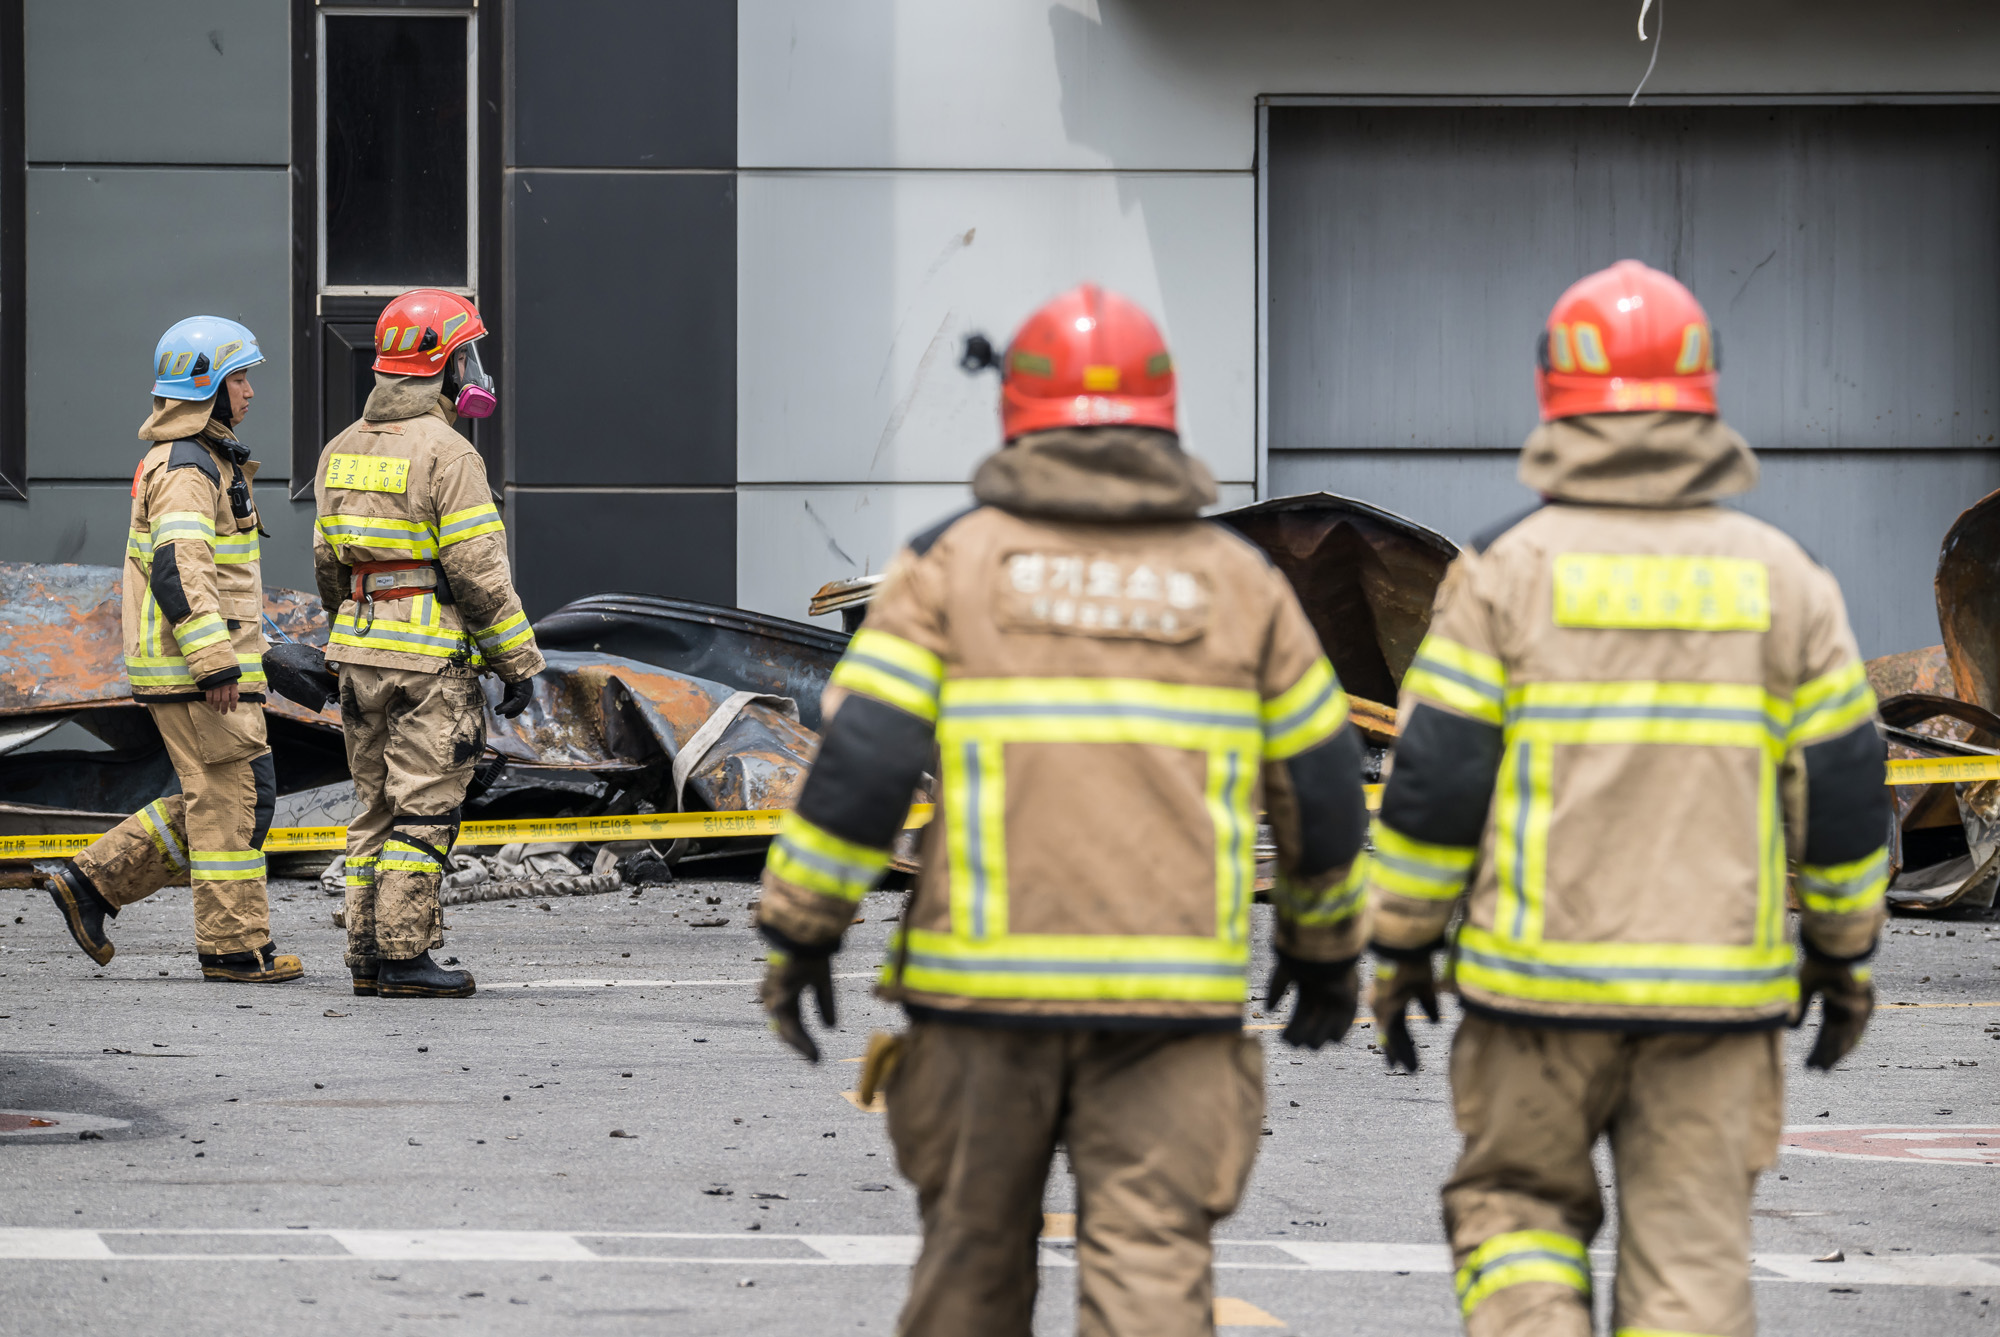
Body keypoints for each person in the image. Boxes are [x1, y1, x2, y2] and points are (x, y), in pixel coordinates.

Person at [755, 284, 1371, 1337]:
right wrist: (1323, 951)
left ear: (1017, 418)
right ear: (1163, 418)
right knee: (1149, 1278)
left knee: (970, 1268)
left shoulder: (952, 564)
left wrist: (802, 929)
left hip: (980, 999)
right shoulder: (1238, 584)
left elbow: (862, 763)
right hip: (1168, 1002)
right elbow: (1319, 783)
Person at [1366, 260, 1888, 1337]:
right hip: (1714, 1008)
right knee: (1689, 1271)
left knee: (1512, 1218)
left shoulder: (1503, 570)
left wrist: (1399, 945)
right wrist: (1840, 956)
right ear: (1703, 392)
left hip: (1531, 999)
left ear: (1552, 390)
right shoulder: (1783, 577)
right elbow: (1840, 786)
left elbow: (1434, 784)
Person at [43, 316, 300, 984]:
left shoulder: (204, 459)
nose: (250, 391)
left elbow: (220, 576)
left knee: (238, 795)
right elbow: (180, 569)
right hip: (196, 671)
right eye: (239, 377)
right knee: (230, 801)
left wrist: (257, 653)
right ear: (206, 387)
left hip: (206, 664)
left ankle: (91, 883)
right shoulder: (186, 466)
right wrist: (215, 661)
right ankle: (233, 948)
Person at [312, 289, 540, 1000]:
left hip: (358, 655)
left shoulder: (340, 448)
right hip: (429, 664)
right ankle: (406, 956)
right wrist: (518, 660)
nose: (474, 368)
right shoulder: (450, 452)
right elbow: (478, 574)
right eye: (466, 354)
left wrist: (347, 635)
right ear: (441, 363)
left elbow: (327, 565)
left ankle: (365, 954)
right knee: (424, 805)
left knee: (372, 806)